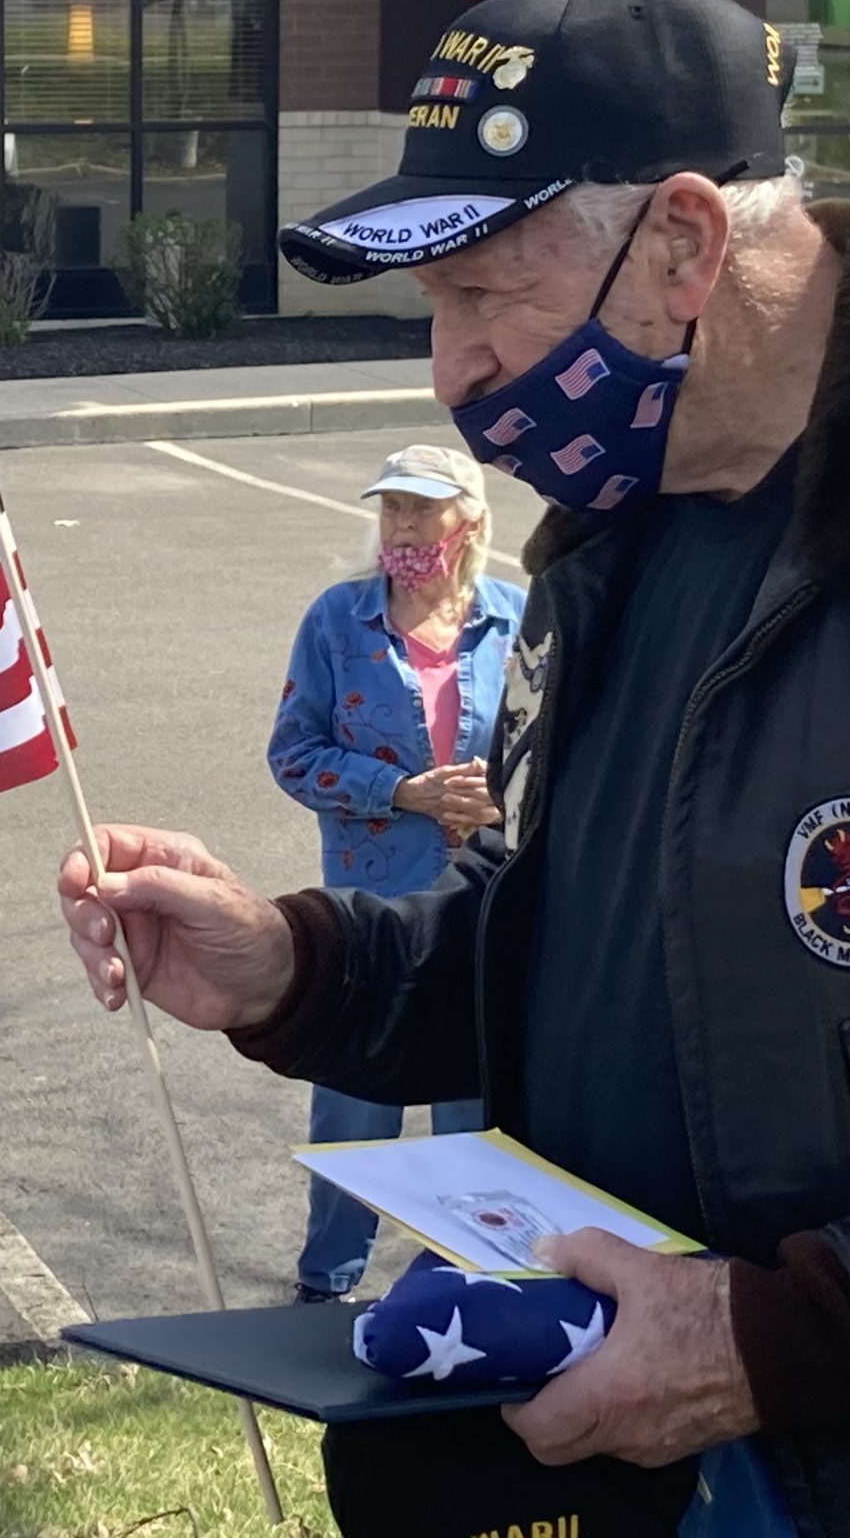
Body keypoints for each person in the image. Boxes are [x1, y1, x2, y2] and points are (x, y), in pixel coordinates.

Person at [56, 0, 850, 1538]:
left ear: (684, 242)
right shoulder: (618, 523)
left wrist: (762, 1342)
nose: (449, 377)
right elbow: (572, 948)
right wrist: (297, 973)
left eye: (484, 295)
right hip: (672, 1458)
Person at [269, 443, 523, 1303]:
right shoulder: (338, 623)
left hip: (484, 911)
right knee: (353, 1109)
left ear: (470, 521)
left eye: (422, 509)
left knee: (474, 1112)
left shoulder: (518, 619)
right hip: (368, 906)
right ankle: (327, 1283)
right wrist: (401, 791)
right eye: (391, 509)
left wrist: (505, 804)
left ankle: (470, 1281)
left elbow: (564, 749)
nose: (403, 525)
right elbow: (294, 755)